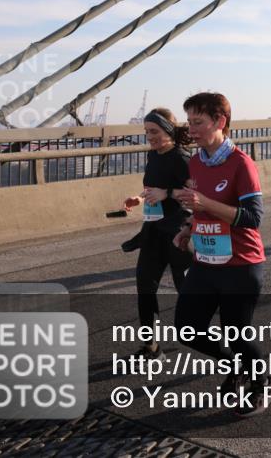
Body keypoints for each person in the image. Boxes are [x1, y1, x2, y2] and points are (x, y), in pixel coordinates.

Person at [172, 92, 271, 417]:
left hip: (241, 264)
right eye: (189, 122)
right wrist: (188, 227)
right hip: (205, 260)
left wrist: (205, 204)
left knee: (238, 334)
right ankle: (238, 366)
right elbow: (198, 208)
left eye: (198, 122)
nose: (191, 129)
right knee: (187, 327)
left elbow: (253, 218)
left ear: (220, 122)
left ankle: (260, 383)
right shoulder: (196, 161)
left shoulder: (241, 163)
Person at [121, 109, 193, 360]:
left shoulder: (182, 158)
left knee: (187, 289)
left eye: (154, 131)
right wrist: (139, 197)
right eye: (146, 132)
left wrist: (167, 193)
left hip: (177, 230)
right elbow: (152, 187)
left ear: (168, 131)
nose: (149, 136)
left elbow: (195, 197)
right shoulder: (153, 156)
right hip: (152, 230)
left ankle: (223, 344)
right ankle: (150, 347)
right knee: (145, 284)